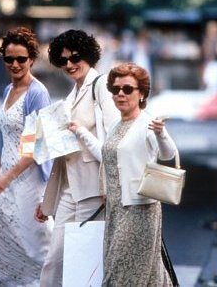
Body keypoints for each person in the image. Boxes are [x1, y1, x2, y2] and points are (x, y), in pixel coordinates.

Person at [74, 62, 178, 286]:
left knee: (119, 272)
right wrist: (80, 132)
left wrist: (161, 134)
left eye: (127, 89)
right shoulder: (115, 126)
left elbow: (167, 153)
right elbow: (106, 154)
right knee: (143, 273)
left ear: (141, 94)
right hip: (116, 210)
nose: (120, 94)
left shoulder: (147, 123)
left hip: (140, 209)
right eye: (115, 89)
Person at [34, 29, 119, 287]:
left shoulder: (102, 86)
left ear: (89, 56)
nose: (70, 65)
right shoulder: (71, 94)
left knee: (85, 264)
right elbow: (63, 153)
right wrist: (47, 200)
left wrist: (79, 132)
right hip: (68, 189)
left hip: (94, 188)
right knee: (54, 260)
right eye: (64, 61)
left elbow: (114, 141)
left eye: (75, 58)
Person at [0, 26, 53, 287]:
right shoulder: (7, 91)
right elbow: (5, 143)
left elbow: (36, 146)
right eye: (9, 59)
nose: (16, 64)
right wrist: (0, 176)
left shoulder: (37, 93)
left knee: (33, 248)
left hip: (27, 180)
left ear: (32, 59)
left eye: (22, 58)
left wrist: (6, 178)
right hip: (6, 178)